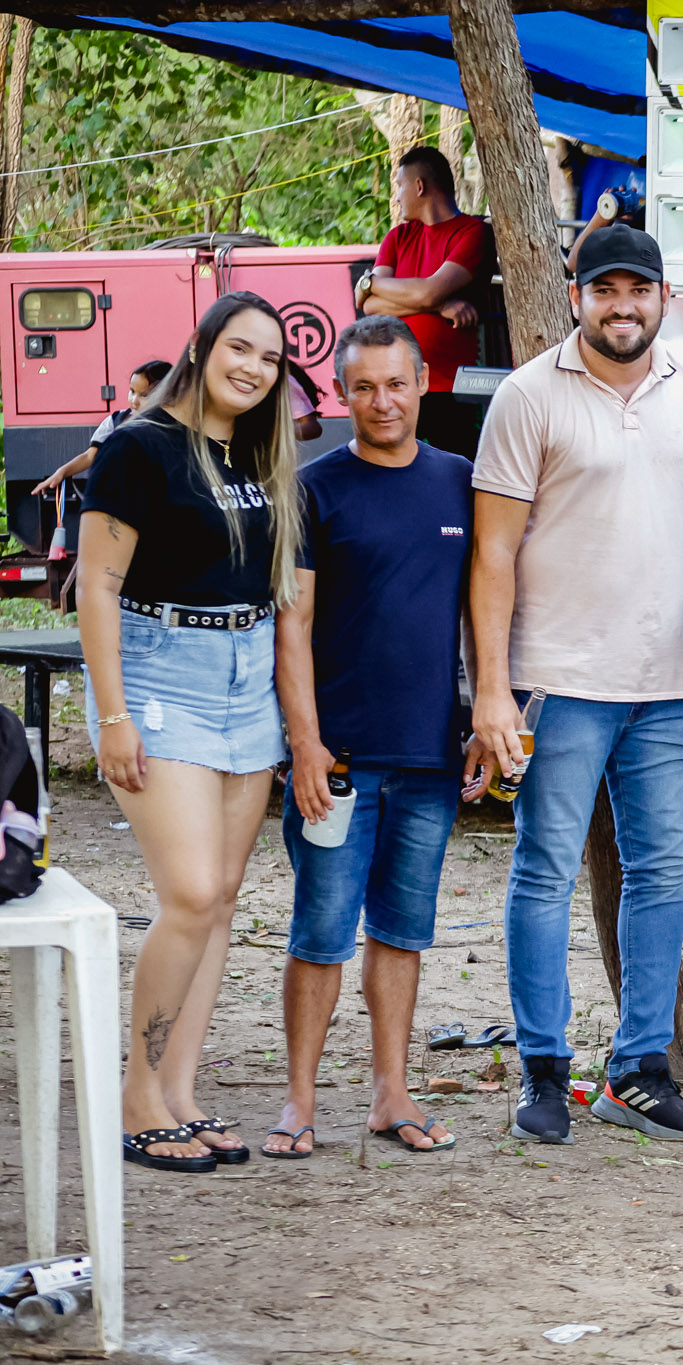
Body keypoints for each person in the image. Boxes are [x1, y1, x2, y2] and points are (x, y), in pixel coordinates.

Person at [468, 223, 683, 1146]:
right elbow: (492, 553)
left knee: (660, 874)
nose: (624, 306)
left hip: (674, 682)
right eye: (606, 289)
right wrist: (492, 688)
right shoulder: (527, 395)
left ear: (664, 298)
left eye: (639, 290)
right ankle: (544, 1071)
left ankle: (640, 1071)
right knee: (543, 870)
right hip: (560, 678)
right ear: (576, 294)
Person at [77, 292, 303, 1172]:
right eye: (240, 348)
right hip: (162, 671)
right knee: (191, 891)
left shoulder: (254, 453)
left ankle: (180, 1091)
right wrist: (114, 715)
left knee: (224, 896)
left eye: (270, 359)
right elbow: (97, 586)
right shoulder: (139, 447)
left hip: (246, 674)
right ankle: (138, 1095)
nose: (254, 368)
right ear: (203, 347)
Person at [262, 317, 472, 1158]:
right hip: (338, 763)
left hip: (429, 757)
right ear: (342, 394)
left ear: (421, 383)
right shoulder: (314, 489)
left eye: (395, 384)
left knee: (404, 929)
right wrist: (304, 743)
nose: (382, 401)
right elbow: (292, 624)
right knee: (320, 932)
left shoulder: (461, 481)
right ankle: (299, 1101)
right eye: (364, 387)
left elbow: (484, 609)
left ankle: (392, 1092)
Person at [356, 144, 492, 456]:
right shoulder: (397, 237)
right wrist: (439, 305)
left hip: (451, 387)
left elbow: (428, 290)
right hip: (396, 384)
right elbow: (369, 305)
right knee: (394, 467)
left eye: (399, 186)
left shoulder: (472, 232)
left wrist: (373, 285)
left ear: (419, 186)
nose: (396, 196)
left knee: (456, 469)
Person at [33, 360, 172, 495]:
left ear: (165, 394)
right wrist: (61, 472)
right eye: (132, 391)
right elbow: (90, 456)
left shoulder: (172, 426)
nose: (134, 400)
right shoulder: (116, 420)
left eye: (144, 395)